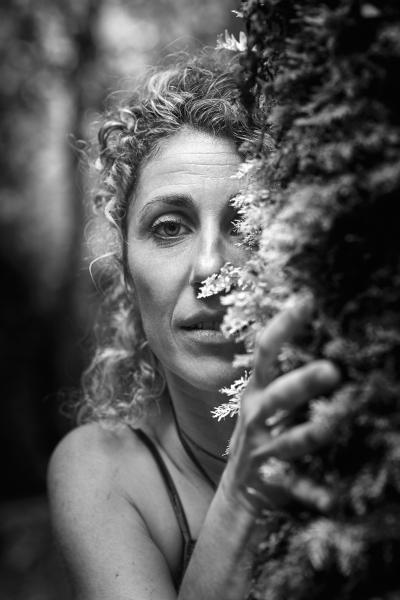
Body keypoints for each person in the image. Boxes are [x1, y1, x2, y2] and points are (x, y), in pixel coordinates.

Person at [48, 53, 341, 600]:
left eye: (247, 223)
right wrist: (246, 494)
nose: (210, 269)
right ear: (127, 272)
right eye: (169, 227)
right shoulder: (103, 471)